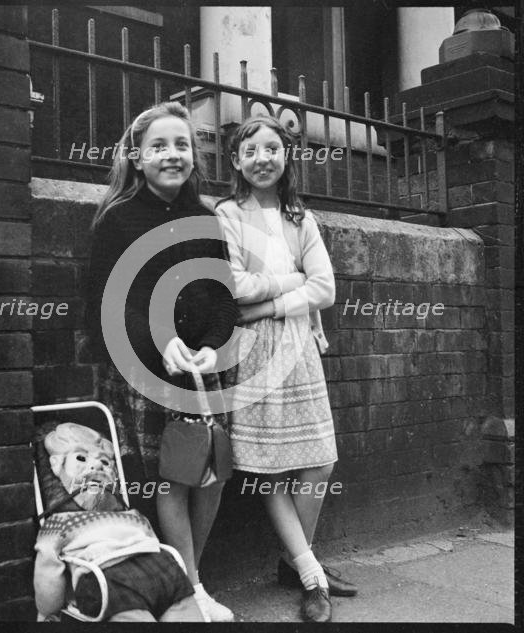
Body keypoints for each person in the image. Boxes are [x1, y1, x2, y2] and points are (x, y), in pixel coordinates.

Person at [84, 101, 237, 622]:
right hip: (145, 369)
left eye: (182, 145)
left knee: (211, 472)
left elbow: (223, 300)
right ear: (137, 157)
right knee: (172, 475)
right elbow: (105, 306)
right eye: (159, 146)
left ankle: (196, 578)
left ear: (194, 157)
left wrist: (214, 345)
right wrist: (157, 340)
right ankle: (191, 587)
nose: (172, 155)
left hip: (204, 369)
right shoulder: (118, 220)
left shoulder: (206, 219)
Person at [215, 115, 356, 622]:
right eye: (250, 150)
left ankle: (296, 560)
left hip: (297, 344)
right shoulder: (228, 213)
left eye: (272, 148)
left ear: (287, 155)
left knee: (319, 460)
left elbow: (327, 289)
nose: (262, 158)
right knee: (271, 468)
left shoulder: (301, 217)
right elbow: (233, 285)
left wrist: (271, 298)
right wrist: (289, 280)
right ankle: (311, 575)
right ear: (236, 160)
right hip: (254, 352)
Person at [33, 422, 204, 622]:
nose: (96, 465)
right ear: (56, 465)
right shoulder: (63, 522)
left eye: (105, 462)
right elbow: (48, 571)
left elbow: (48, 574)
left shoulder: (128, 515)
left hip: (135, 573)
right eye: (81, 458)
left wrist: (46, 612)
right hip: (138, 572)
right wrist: (48, 610)